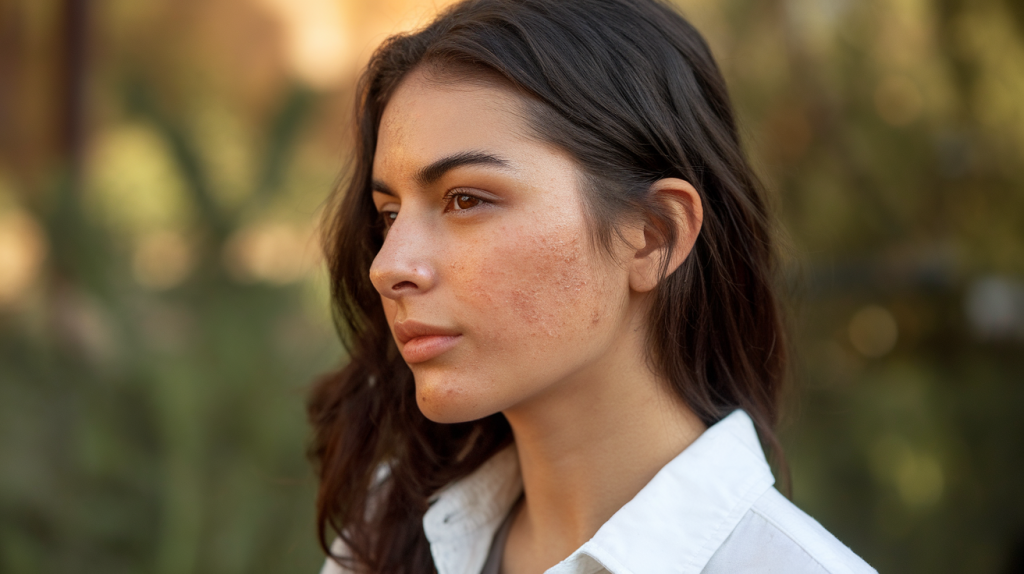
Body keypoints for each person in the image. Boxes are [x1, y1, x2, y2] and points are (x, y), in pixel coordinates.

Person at [308, 0, 876, 572]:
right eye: (388, 213)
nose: (388, 265)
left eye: (465, 199)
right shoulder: (382, 537)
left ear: (654, 236)